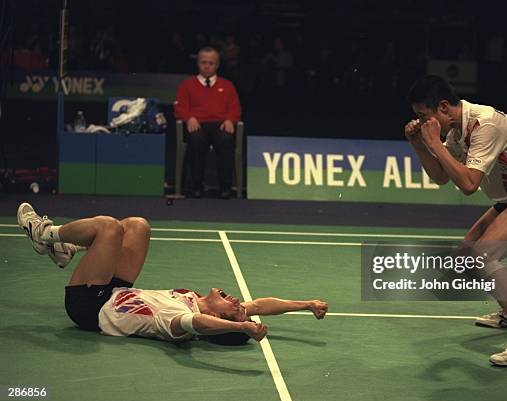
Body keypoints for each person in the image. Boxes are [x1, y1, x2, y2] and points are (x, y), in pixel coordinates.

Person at [404, 75, 507, 367]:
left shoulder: (485, 124)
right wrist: (420, 145)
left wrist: (436, 145)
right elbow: (442, 177)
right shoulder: (456, 132)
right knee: (467, 256)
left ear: (443, 107)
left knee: (483, 256)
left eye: (423, 116)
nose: (421, 122)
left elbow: (468, 185)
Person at [17, 203, 328, 343]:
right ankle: (68, 250)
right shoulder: (201, 303)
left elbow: (197, 324)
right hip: (116, 291)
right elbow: (260, 306)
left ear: (224, 320)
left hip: (90, 307)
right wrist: (305, 304)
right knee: (137, 226)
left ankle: (45, 235)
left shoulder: (177, 318)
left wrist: (242, 329)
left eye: (234, 310)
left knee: (109, 227)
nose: (238, 301)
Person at [174, 46, 242, 199]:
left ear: (217, 65)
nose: (206, 66)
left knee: (226, 139)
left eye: (211, 63)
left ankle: (225, 187)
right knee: (196, 140)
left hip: (220, 125)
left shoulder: (227, 85)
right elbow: (179, 108)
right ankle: (196, 186)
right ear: (197, 63)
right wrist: (189, 118)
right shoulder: (187, 85)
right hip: (197, 124)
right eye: (203, 62)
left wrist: (230, 120)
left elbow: (235, 108)